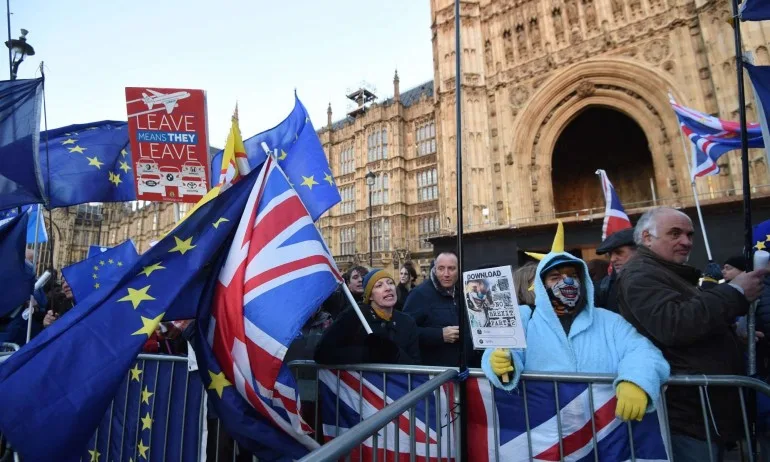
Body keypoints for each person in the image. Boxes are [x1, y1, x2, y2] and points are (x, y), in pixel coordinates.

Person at [617, 207, 767, 460]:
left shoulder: (669, 272)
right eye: (675, 234)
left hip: (704, 412)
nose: (686, 242)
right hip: (687, 415)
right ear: (647, 238)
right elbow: (673, 325)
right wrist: (734, 292)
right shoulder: (641, 274)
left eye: (689, 234)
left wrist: (731, 335)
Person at [483, 222, 670, 426]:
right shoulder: (526, 320)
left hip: (606, 432)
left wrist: (636, 379)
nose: (567, 282)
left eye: (573, 276)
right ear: (540, 285)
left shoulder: (610, 321)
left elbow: (644, 352)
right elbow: (502, 349)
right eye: (555, 277)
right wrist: (501, 363)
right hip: (546, 433)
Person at [314, 269, 421, 365]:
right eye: (379, 285)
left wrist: (395, 353)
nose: (388, 288)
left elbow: (415, 364)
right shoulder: (354, 316)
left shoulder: (407, 321)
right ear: (370, 295)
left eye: (390, 283)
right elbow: (322, 353)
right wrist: (367, 354)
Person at [403, 251, 471, 366]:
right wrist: (439, 335)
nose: (446, 274)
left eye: (451, 268)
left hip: (464, 370)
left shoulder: (464, 293)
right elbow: (405, 332)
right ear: (434, 269)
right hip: (436, 374)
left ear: (458, 270)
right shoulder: (419, 294)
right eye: (441, 268)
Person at [594, 228, 637, 312]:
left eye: (619, 252)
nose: (612, 259)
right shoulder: (603, 288)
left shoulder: (660, 279)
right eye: (610, 254)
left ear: (637, 251)